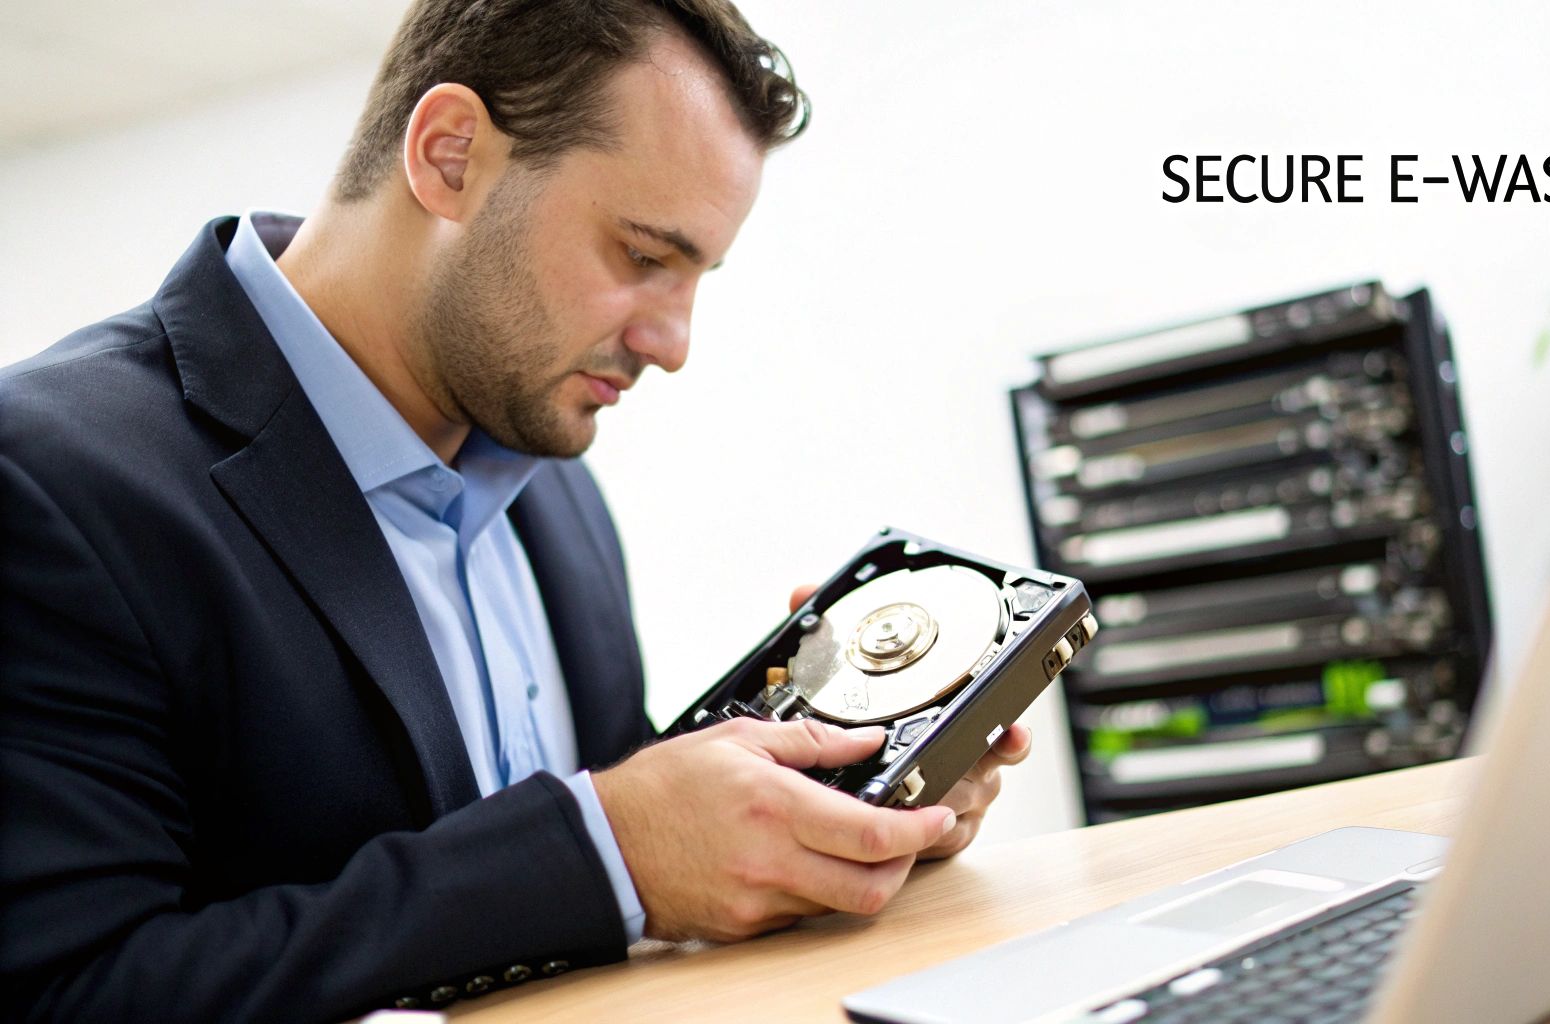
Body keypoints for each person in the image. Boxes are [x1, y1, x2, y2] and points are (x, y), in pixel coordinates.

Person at [0, 1, 1031, 1020]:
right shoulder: (47, 476)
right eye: (641, 255)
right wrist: (604, 853)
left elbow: (631, 861)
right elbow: (69, 989)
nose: (673, 342)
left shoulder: (557, 489)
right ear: (449, 155)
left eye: (697, 275)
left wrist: (833, 817)